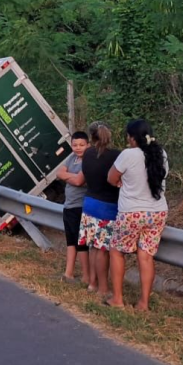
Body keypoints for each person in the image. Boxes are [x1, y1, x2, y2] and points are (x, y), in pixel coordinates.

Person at [107, 119, 169, 311]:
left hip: (132, 212)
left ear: (132, 138)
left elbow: (111, 178)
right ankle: (144, 303)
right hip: (157, 212)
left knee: (117, 250)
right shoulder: (161, 153)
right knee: (146, 255)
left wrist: (122, 183)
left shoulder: (128, 154)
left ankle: (117, 299)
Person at [66, 121, 120, 297]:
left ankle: (92, 283)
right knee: (103, 249)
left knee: (94, 247)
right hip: (108, 206)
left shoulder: (88, 154)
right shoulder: (116, 156)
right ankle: (103, 288)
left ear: (91, 138)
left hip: (89, 204)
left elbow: (81, 177)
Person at [57, 131, 90, 284]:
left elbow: (79, 182)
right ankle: (68, 273)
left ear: (88, 145)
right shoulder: (72, 158)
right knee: (70, 241)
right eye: (75, 145)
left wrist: (69, 176)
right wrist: (72, 176)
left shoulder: (89, 160)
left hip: (81, 206)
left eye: (82, 145)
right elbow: (60, 173)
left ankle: (86, 276)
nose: (78, 148)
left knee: (81, 242)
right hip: (68, 206)